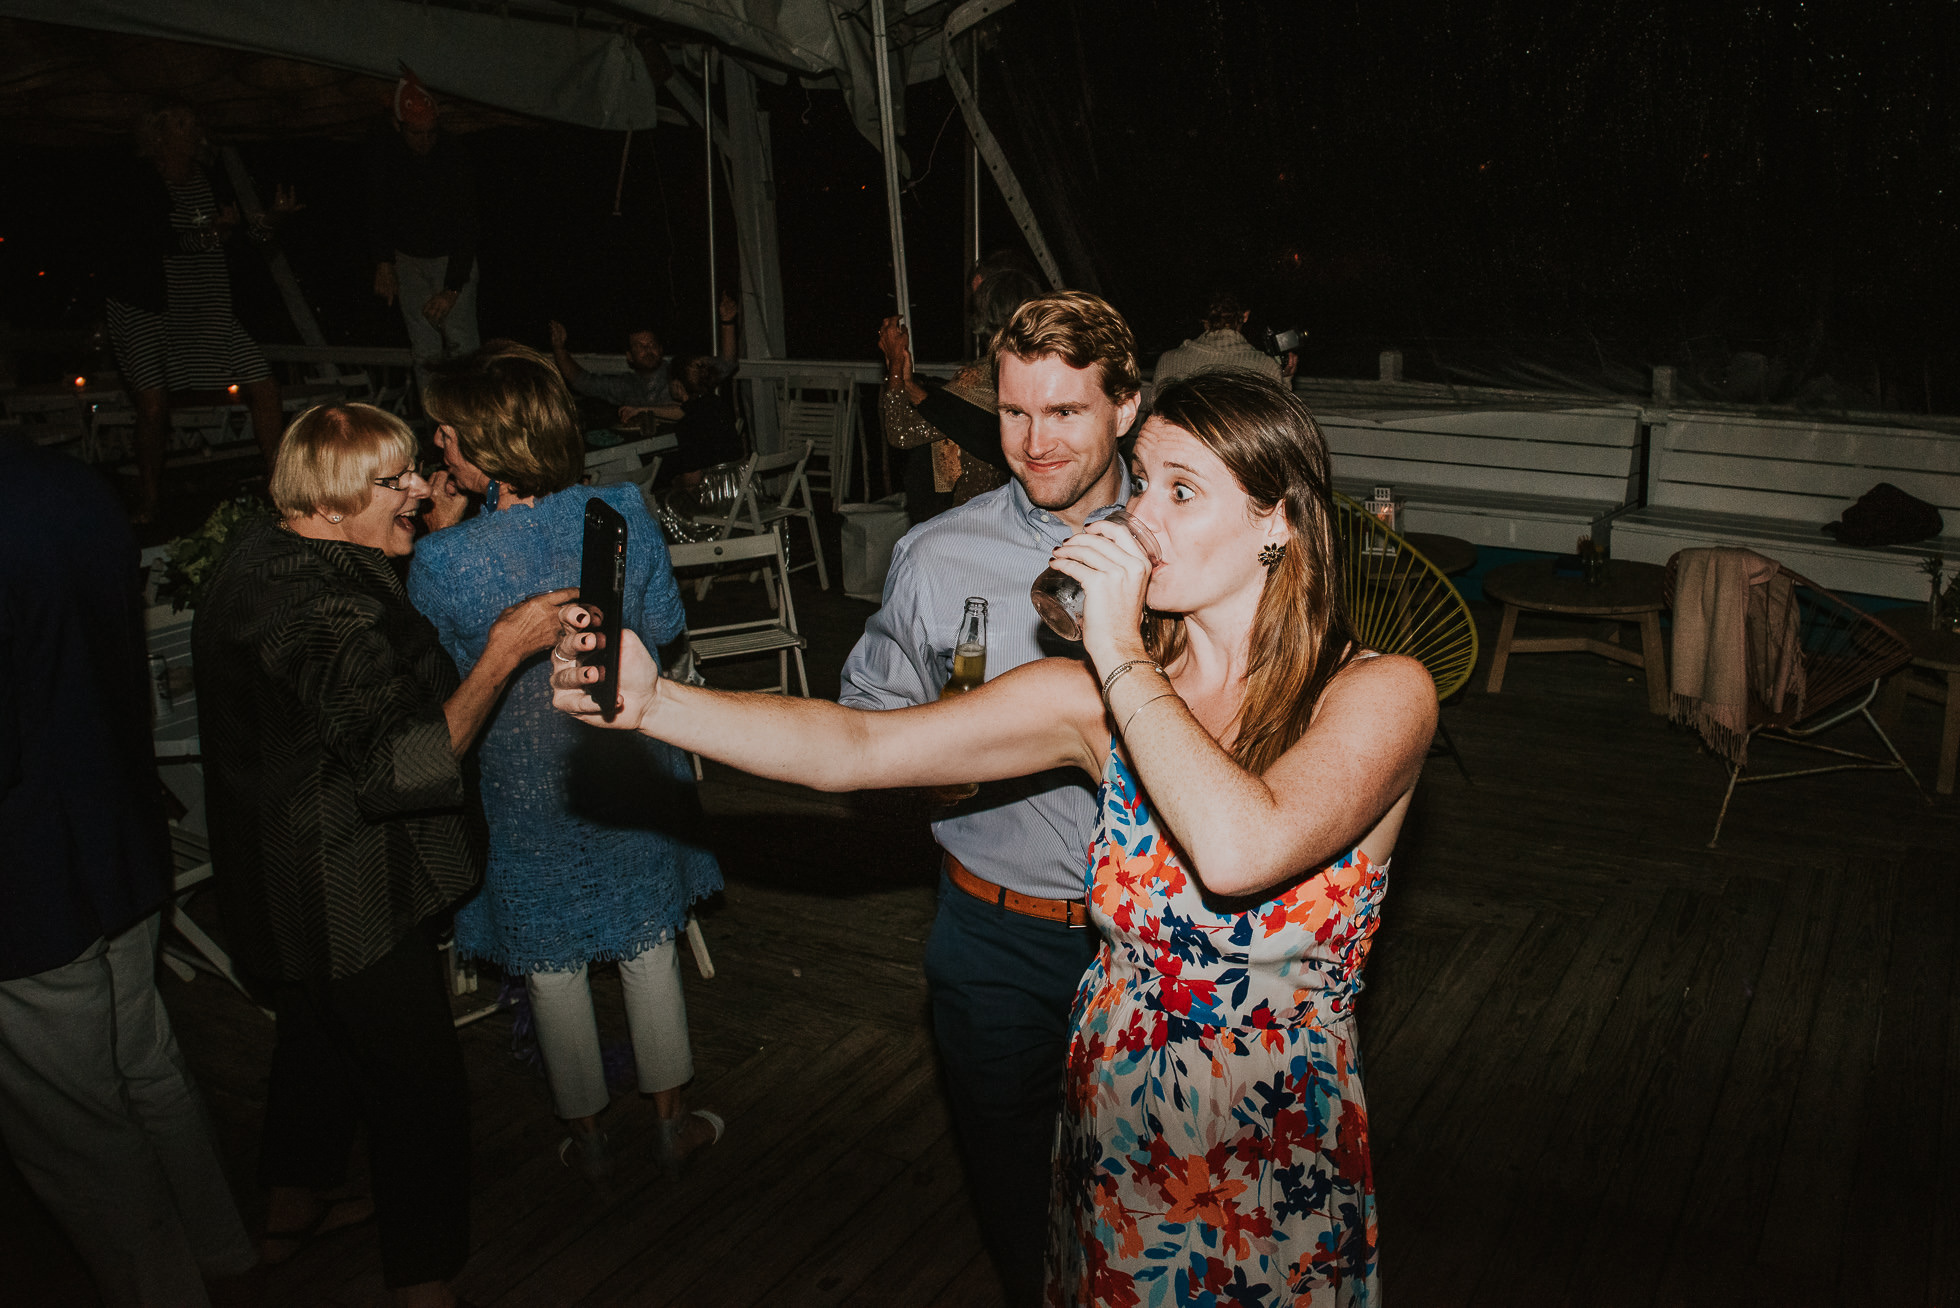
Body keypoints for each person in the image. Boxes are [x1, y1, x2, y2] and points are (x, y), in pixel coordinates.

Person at [550, 368, 1436, 1305]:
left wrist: (1121, 648)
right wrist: (657, 703)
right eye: (1142, 484)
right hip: (1120, 1120)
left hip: (1267, 1145)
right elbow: (853, 747)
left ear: (1279, 522)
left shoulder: (1379, 696)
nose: (1143, 518)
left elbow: (1240, 849)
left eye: (1183, 490)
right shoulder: (1097, 702)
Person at [194, 403, 571, 1308]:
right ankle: (423, 1277)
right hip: (351, 888)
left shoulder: (259, 558)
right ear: (326, 504)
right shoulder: (323, 611)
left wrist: (414, 533)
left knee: (316, 1041)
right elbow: (407, 765)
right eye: (394, 480)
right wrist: (504, 651)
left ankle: (293, 1205)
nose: (420, 487)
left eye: (413, 469)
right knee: (417, 1088)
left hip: (274, 871)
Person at [848, 290, 1142, 1303]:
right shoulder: (938, 554)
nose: (1034, 441)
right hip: (994, 931)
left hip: (1149, 941)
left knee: (1149, 1189)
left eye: (1064, 412)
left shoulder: (1188, 543)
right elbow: (870, 718)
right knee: (1016, 1190)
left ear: (1127, 408)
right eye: (1015, 412)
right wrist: (945, 761)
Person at [409, 343, 725, 1182]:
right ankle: (671, 1121)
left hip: (524, 781)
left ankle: (586, 1142)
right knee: (649, 945)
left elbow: (447, 667)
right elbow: (660, 629)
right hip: (622, 759)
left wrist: (449, 537)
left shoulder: (441, 561)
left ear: (489, 442)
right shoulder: (619, 507)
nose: (438, 447)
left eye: (447, 434)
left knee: (550, 967)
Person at [0, 428, 262, 1307]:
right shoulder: (73, 487)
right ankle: (221, 1247)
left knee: (76, 1126)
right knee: (147, 1064)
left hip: (28, 876)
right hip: (118, 827)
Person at [103, 103, 299, 522]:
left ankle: (280, 487)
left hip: (207, 308)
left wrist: (275, 220)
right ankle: (150, 499)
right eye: (179, 122)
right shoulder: (139, 181)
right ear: (157, 134)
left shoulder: (211, 179)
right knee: (153, 405)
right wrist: (210, 233)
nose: (191, 129)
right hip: (147, 307)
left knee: (264, 385)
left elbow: (248, 238)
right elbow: (155, 241)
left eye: (194, 122)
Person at [878, 248, 1043, 517]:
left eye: (982, 297)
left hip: (968, 519)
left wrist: (895, 366)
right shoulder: (1036, 370)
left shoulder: (982, 375)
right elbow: (956, 413)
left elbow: (900, 431)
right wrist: (909, 382)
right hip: (1011, 512)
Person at [367, 71, 480, 397]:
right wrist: (383, 261)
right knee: (425, 349)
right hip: (408, 261)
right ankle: (437, 427)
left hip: (452, 260)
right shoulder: (385, 153)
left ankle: (471, 424)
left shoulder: (453, 155)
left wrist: (452, 289)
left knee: (462, 344)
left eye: (431, 133)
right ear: (398, 126)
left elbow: (467, 225)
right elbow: (377, 207)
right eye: (417, 134)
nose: (425, 141)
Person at [549, 293, 740, 430]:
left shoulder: (679, 371)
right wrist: (559, 349)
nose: (648, 350)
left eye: (652, 344)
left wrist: (727, 322)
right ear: (629, 356)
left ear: (661, 349)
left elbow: (726, 364)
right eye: (640, 346)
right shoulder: (624, 385)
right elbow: (582, 382)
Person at [1152, 290, 1290, 390]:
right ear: (1246, 316)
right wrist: (1286, 377)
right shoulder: (1266, 367)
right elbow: (1279, 423)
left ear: (1203, 317)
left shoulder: (1168, 361)